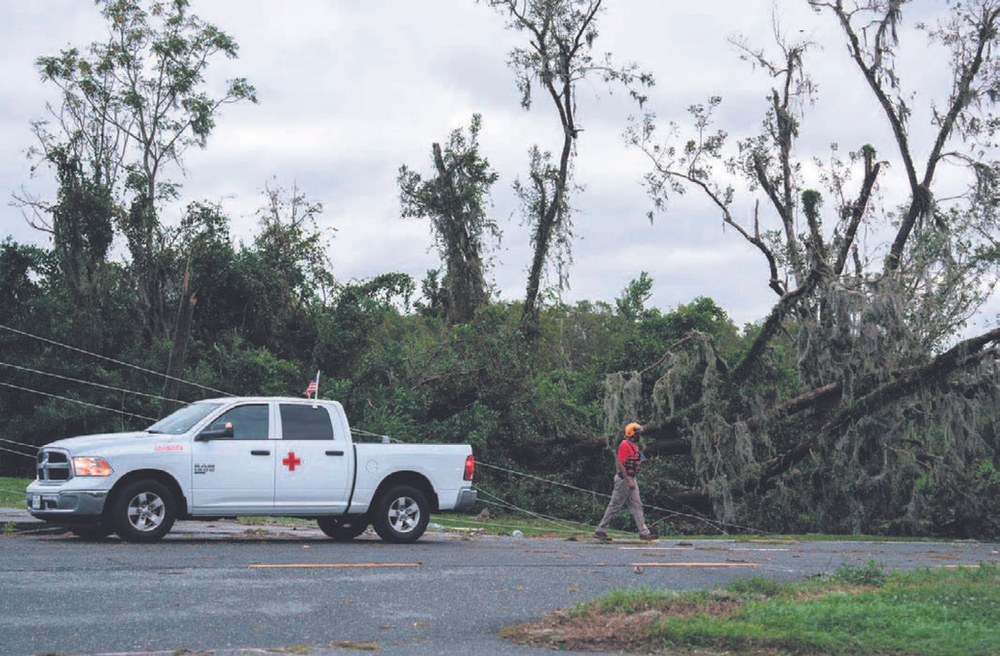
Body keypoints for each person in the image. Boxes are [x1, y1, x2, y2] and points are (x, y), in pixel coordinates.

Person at [594, 422, 656, 541]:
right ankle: (601, 530)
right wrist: (628, 480)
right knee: (615, 505)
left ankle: (644, 533)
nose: (640, 436)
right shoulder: (624, 445)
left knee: (637, 505)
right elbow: (620, 463)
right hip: (623, 480)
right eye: (638, 433)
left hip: (632, 478)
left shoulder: (634, 446)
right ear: (632, 434)